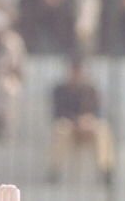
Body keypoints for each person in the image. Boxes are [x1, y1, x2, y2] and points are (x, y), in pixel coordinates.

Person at [48, 57, 115, 186]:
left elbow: (98, 112)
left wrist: (88, 121)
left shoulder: (91, 90)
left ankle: (105, 169)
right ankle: (55, 169)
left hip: (88, 128)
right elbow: (57, 113)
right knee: (61, 128)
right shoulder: (60, 90)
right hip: (69, 127)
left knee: (102, 129)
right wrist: (75, 121)